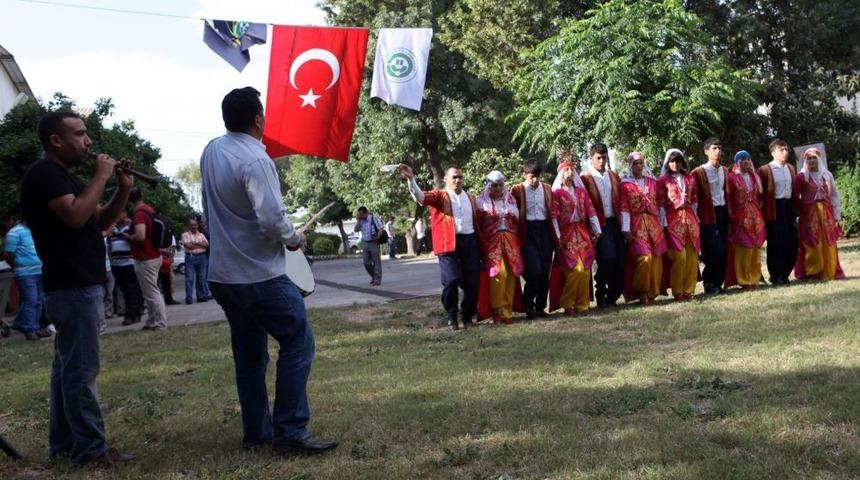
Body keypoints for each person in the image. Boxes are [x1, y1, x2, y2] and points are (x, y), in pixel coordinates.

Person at [200, 87, 337, 455]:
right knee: (298, 341)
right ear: (258, 119)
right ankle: (290, 431)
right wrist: (294, 239)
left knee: (249, 355)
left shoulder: (212, 150)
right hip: (259, 274)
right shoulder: (256, 160)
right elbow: (272, 218)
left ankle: (257, 434)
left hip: (224, 276)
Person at [20, 110, 135, 466]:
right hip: (71, 286)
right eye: (80, 134)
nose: (88, 142)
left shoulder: (63, 178)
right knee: (81, 372)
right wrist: (101, 175)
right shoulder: (44, 174)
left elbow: (98, 220)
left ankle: (66, 446)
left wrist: (122, 189)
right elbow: (74, 215)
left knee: (66, 371)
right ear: (56, 140)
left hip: (77, 285)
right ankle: (90, 451)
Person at [398, 163, 482, 330]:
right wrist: (411, 179)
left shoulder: (471, 198)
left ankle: (467, 317)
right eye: (454, 177)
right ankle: (451, 315)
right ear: (445, 179)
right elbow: (420, 197)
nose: (457, 180)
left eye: (460, 177)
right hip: (448, 245)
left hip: (470, 243)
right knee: (451, 281)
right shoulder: (439, 196)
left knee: (472, 283)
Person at [548, 155, 602, 315]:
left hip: (582, 233)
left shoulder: (581, 193)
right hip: (566, 234)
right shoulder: (557, 193)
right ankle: (568, 302)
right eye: (566, 170)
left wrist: (597, 230)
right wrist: (557, 237)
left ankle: (582, 304)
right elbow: (554, 217)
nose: (569, 172)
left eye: (571, 169)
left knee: (585, 269)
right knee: (575, 269)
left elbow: (591, 211)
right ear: (560, 174)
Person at [475, 171, 524, 324]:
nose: (498, 188)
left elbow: (517, 221)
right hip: (492, 242)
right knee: (498, 274)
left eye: (500, 185)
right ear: (489, 186)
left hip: (510, 240)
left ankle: (507, 312)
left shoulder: (510, 200)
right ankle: (496, 310)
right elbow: (478, 225)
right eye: (494, 185)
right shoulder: (481, 202)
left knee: (510, 275)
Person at [580, 143, 625, 308]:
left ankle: (612, 296)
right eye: (598, 158)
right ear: (590, 159)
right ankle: (601, 292)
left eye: (604, 158)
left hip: (615, 223)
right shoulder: (584, 178)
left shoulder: (613, 176)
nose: (602, 161)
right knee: (608, 258)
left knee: (620, 261)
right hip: (598, 225)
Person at [510, 158, 555, 319]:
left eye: (537, 176)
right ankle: (528, 304)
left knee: (544, 272)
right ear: (524, 174)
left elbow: (553, 214)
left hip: (544, 231)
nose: (535, 180)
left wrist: (556, 236)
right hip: (527, 232)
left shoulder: (548, 189)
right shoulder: (516, 190)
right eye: (531, 176)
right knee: (534, 271)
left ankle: (540, 307)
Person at [619, 152, 666, 305]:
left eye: (641, 163)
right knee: (644, 257)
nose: (639, 166)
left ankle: (653, 291)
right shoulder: (625, 185)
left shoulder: (653, 182)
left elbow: (660, 204)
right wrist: (625, 229)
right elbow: (624, 208)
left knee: (657, 257)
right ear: (630, 166)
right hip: (636, 224)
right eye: (635, 164)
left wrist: (663, 223)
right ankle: (642, 291)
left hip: (654, 223)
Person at [793, 147, 845, 280]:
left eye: (814, 158)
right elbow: (794, 196)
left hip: (826, 213)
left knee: (829, 242)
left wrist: (837, 215)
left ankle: (830, 270)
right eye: (808, 158)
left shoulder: (827, 175)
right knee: (812, 242)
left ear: (819, 159)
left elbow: (834, 195)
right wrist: (800, 213)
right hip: (809, 215)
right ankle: (813, 272)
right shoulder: (801, 177)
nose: (811, 160)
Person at [658, 149, 701, 302]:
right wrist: (662, 223)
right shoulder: (663, 181)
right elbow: (661, 203)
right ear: (667, 163)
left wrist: (696, 217)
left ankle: (689, 290)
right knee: (680, 257)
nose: (675, 164)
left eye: (677, 161)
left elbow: (695, 199)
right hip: (672, 220)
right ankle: (677, 290)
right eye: (671, 161)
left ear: (682, 162)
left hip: (690, 218)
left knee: (692, 257)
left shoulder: (690, 179)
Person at [126, 188, 168, 329]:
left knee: (151, 293)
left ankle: (160, 323)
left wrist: (127, 237)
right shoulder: (148, 209)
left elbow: (140, 236)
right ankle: (152, 321)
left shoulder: (139, 214)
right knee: (150, 291)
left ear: (128, 199)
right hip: (155, 255)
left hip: (145, 257)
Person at [691, 137, 730, 293]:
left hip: (722, 212)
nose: (718, 151)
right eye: (714, 148)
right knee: (714, 250)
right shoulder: (698, 172)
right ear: (706, 151)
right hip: (707, 214)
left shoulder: (725, 170)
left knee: (724, 249)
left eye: (720, 148)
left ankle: (717, 284)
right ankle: (709, 283)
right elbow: (693, 197)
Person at [3, 220, 51, 340]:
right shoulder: (15, 233)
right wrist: (17, 265)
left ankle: (33, 326)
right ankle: (30, 329)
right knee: (31, 300)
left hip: (40, 271)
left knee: (39, 300)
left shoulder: (38, 230)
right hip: (25, 273)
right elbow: (8, 254)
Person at [758, 139, 797, 285]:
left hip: (788, 207)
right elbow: (760, 195)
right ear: (773, 152)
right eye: (781, 150)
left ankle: (785, 273)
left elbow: (794, 192)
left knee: (792, 242)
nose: (785, 152)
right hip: (774, 208)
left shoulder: (791, 169)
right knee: (776, 243)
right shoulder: (765, 170)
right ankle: (776, 275)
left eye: (786, 149)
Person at [724, 151, 766, 289]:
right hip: (740, 217)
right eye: (743, 159)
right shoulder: (731, 178)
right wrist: (732, 217)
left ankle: (754, 278)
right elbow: (728, 199)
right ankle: (743, 279)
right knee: (744, 248)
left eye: (749, 159)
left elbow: (759, 197)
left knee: (755, 247)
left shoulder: (755, 177)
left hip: (755, 217)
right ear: (738, 162)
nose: (747, 162)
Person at [108, 213, 143, 326]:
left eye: (119, 215)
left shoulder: (130, 228)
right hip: (116, 265)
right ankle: (136, 312)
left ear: (124, 215)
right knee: (124, 290)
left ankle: (131, 315)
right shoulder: (112, 230)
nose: (116, 217)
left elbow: (135, 241)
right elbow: (109, 247)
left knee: (131, 290)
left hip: (128, 264)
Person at [181, 218, 210, 304]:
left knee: (201, 278)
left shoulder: (201, 234)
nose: (194, 226)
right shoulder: (185, 235)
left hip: (201, 257)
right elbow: (188, 246)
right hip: (190, 257)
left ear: (197, 225)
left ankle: (200, 296)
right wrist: (201, 245)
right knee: (189, 278)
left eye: (195, 225)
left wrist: (194, 243)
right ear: (189, 226)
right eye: (192, 225)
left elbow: (207, 244)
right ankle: (189, 298)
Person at [354, 207, 384, 286]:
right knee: (366, 262)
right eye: (359, 214)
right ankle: (373, 276)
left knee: (376, 261)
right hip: (365, 243)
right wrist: (358, 221)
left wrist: (377, 236)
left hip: (374, 242)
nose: (360, 215)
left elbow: (381, 228)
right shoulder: (361, 221)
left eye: (361, 214)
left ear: (366, 212)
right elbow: (356, 229)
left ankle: (377, 279)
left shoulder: (373, 218)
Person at [157, 237, 178, 306]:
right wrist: (163, 251)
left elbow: (173, 247)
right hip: (156, 259)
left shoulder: (169, 234)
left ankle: (169, 299)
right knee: (156, 282)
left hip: (165, 260)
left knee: (167, 281)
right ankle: (157, 301)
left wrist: (171, 257)